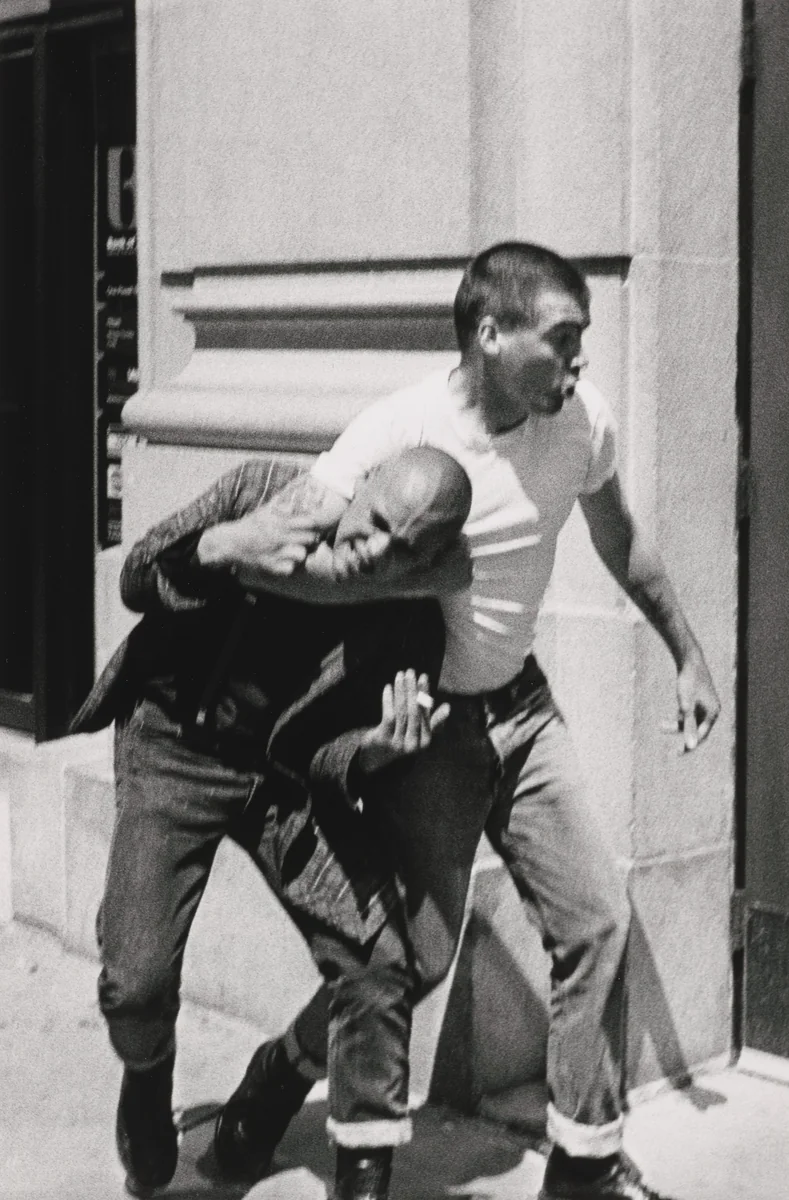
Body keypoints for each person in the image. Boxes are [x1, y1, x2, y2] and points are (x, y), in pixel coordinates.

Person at [213, 242, 721, 1200]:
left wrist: (686, 653)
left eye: (582, 344)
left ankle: (582, 1168)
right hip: (430, 733)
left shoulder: (580, 423)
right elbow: (273, 546)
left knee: (596, 922)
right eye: (560, 340)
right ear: (489, 334)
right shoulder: (399, 427)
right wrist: (295, 573)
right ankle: (282, 1071)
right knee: (414, 961)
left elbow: (619, 539)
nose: (577, 366)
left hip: (523, 714)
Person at [71, 446, 475, 1200]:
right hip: (174, 749)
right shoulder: (265, 490)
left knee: (380, 959)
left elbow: (330, 756)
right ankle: (147, 1073)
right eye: (377, 522)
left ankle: (330, 1132)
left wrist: (375, 752)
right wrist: (225, 544)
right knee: (136, 984)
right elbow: (139, 578)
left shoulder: (410, 622)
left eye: (405, 548)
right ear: (360, 484)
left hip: (282, 787)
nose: (374, 552)